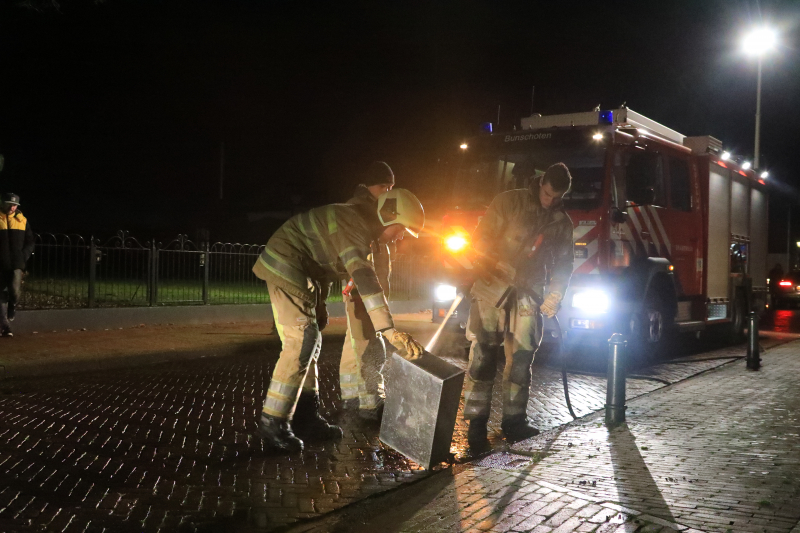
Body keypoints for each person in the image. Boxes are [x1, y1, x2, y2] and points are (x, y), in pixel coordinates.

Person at [252, 188, 426, 453]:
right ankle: (272, 426)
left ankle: (305, 417)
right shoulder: (354, 226)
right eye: (402, 229)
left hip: (299, 269)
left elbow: (319, 261)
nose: (402, 236)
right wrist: (389, 330)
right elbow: (364, 276)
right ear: (389, 218)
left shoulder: (359, 224)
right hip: (284, 265)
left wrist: (319, 302)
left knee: (310, 342)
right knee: (301, 341)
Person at [463, 163, 574, 448]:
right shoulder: (508, 202)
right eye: (547, 194)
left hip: (529, 293)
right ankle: (476, 425)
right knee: (483, 356)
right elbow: (480, 240)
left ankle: (514, 422)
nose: (549, 201)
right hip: (491, 288)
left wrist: (556, 294)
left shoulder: (561, 221)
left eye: (556, 197)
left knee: (522, 356)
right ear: (541, 184)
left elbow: (564, 263)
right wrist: (494, 263)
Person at [340, 161, 395, 422]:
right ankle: (372, 404)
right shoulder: (358, 210)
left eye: (391, 186)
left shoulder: (375, 209)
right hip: (360, 284)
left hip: (365, 284)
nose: (388, 191)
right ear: (369, 185)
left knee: (355, 342)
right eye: (384, 186)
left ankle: (352, 397)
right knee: (371, 344)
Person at [0, 193, 34, 337]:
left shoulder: (22, 221)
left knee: (14, 291)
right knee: (0, 296)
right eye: (9, 204)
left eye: (14, 205)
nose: (12, 207)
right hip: (0, 264)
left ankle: (13, 305)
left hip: (16, 264)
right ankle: (5, 326)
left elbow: (30, 241)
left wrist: (23, 256)